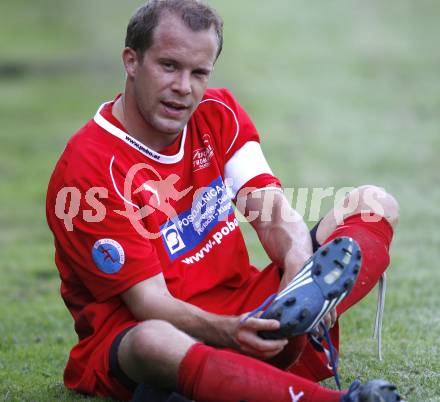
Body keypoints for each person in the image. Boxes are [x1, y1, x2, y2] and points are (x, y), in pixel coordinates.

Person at [46, 1, 403, 401]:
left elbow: (272, 216)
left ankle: (263, 356)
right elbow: (150, 303)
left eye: (199, 72)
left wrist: (301, 280)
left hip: (251, 310)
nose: (184, 87)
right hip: (154, 338)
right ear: (132, 61)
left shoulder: (218, 112)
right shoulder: (85, 171)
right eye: (169, 66)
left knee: (374, 203)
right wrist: (229, 331)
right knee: (152, 341)